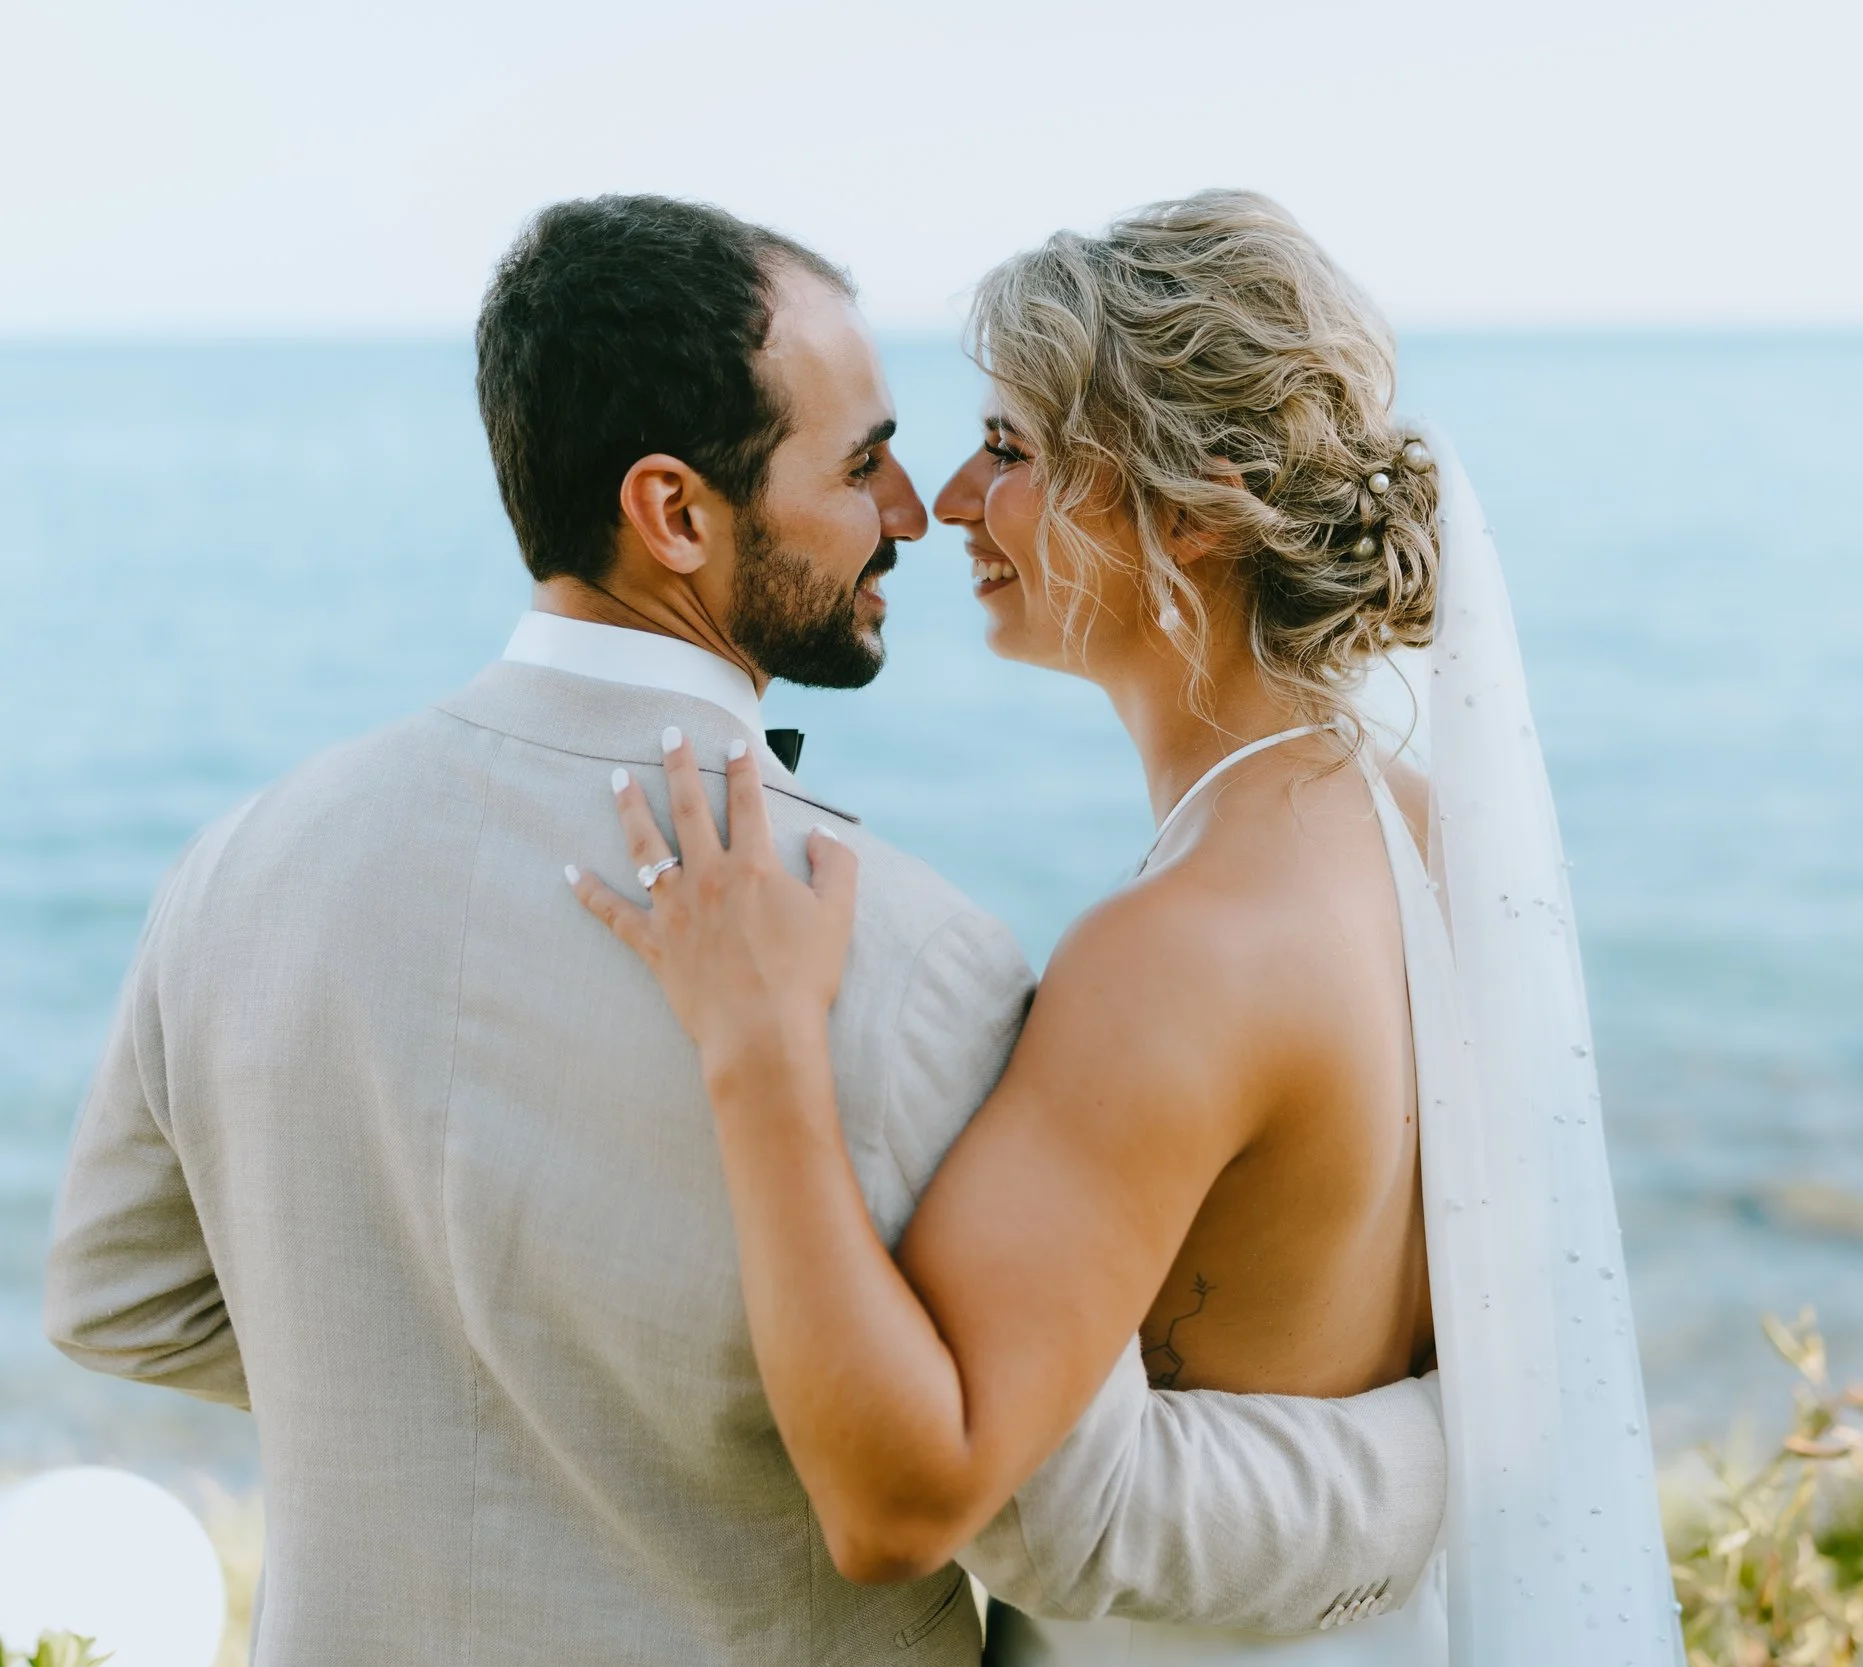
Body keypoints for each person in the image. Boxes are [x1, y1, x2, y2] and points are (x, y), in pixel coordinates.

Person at [44, 195, 1448, 1665]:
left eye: (995, 447)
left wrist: (437, 1390)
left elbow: (119, 1296)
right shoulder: (916, 955)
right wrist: (1462, 1451)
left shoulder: (237, 861)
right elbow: (1031, 1495)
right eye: (866, 462)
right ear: (675, 512)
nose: (926, 503)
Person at [575, 191, 1683, 1664]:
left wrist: (760, 1041)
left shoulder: (1181, 951)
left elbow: (905, 1495)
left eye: (1014, 450)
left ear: (1198, 505)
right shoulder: (1426, 827)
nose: (949, 497)